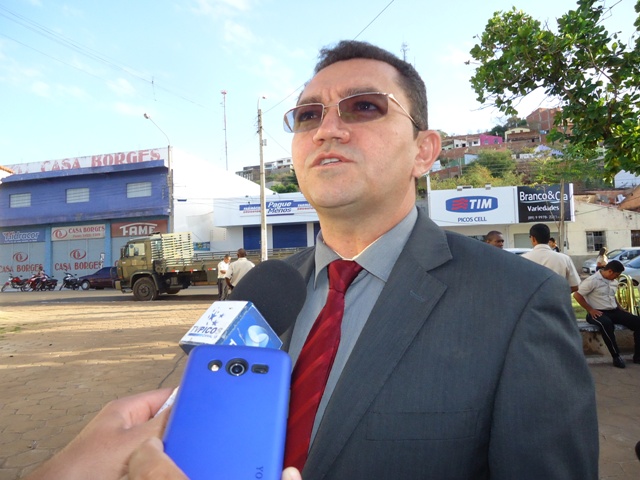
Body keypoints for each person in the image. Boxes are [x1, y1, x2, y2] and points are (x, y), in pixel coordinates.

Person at [25, 40, 598, 480]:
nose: (327, 129)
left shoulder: (518, 300)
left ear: (424, 151)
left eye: (364, 107)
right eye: (307, 115)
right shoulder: (264, 290)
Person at [573, 260, 640, 368]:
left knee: (637, 322)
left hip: (613, 310)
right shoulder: (592, 280)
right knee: (607, 324)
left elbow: (612, 296)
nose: (616, 277)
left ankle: (638, 356)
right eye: (616, 275)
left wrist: (621, 308)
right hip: (597, 312)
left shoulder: (613, 281)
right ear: (610, 271)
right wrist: (590, 310)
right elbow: (577, 295)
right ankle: (616, 356)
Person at [522, 223, 581, 293]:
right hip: (557, 299)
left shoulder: (522, 259)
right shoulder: (564, 259)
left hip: (531, 300)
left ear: (533, 238)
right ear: (548, 238)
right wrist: (559, 293)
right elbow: (575, 286)